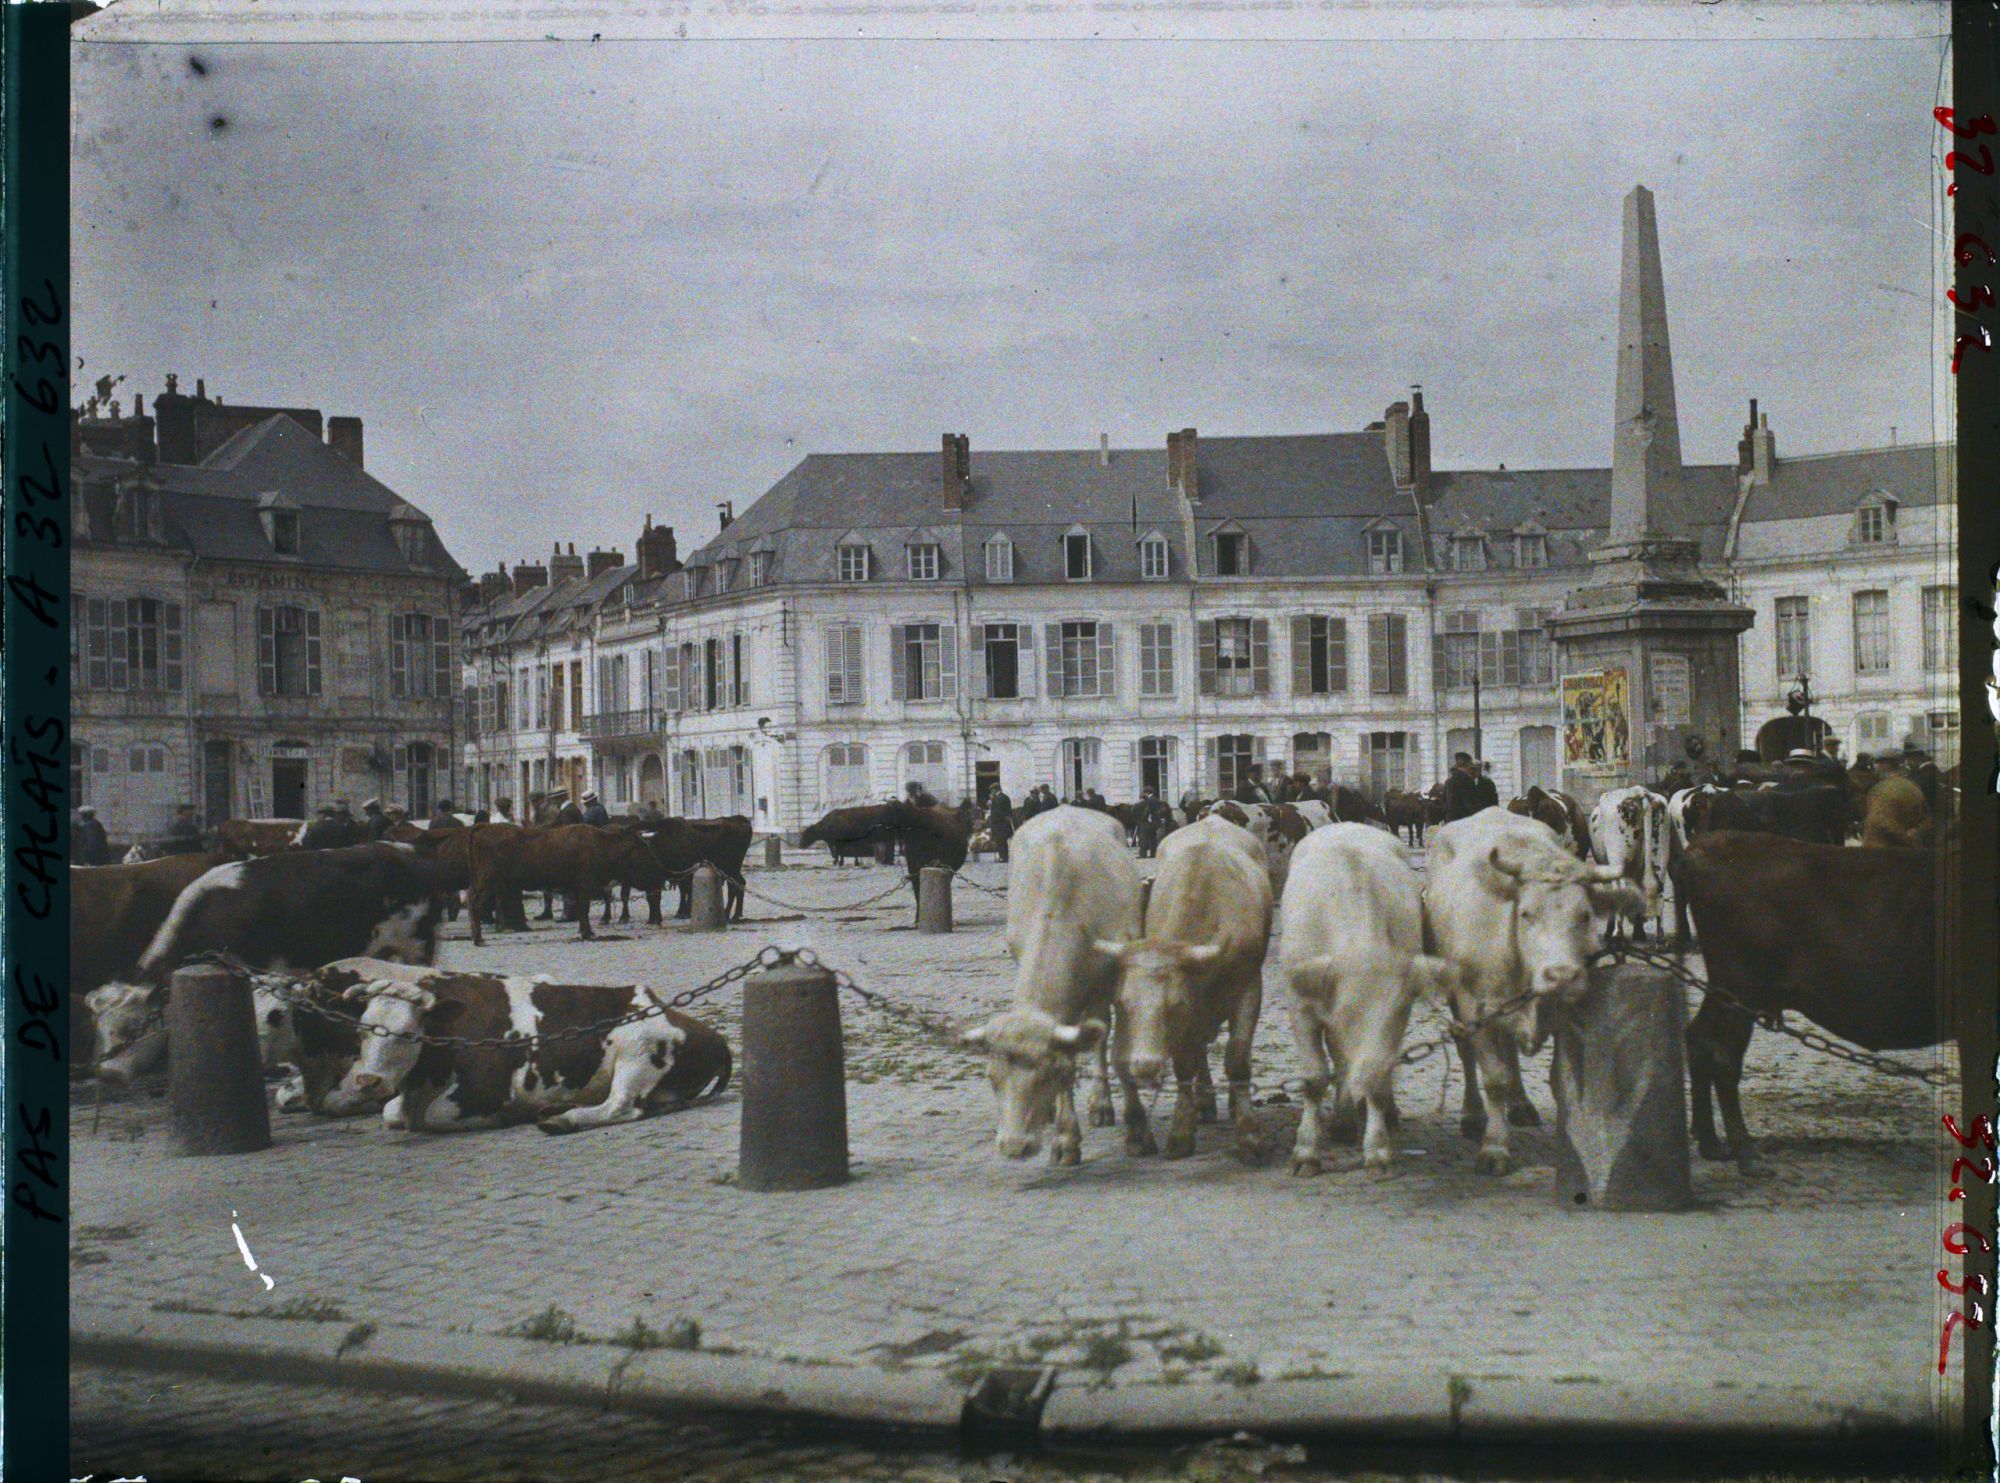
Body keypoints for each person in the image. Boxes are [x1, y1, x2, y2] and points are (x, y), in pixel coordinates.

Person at [1442, 753, 1481, 823]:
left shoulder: (1449, 781)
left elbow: (1444, 802)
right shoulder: (1467, 780)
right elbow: (1471, 804)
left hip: (1450, 821)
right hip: (1464, 821)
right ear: (1468, 764)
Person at [984, 783, 1015, 863]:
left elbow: (997, 812)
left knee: (1000, 841)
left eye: (992, 790)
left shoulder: (997, 798)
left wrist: (991, 805)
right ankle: (1005, 857)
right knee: (1003, 841)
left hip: (998, 823)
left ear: (995, 790)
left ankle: (1003, 857)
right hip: (1004, 823)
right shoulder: (1005, 797)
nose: (991, 792)